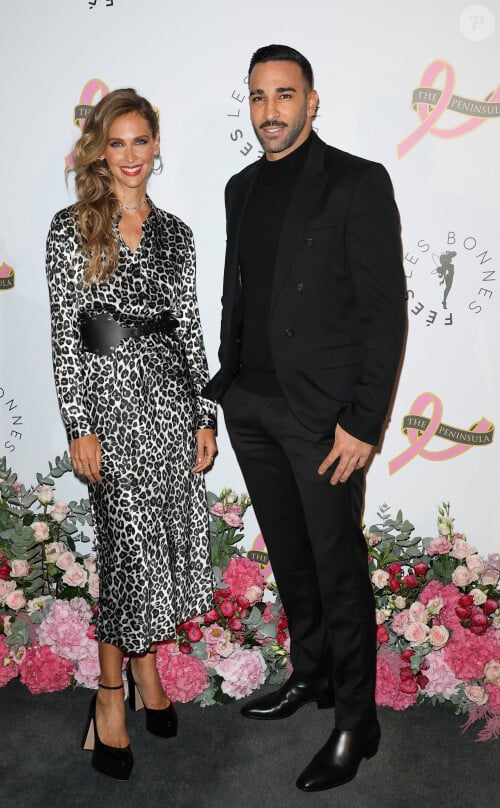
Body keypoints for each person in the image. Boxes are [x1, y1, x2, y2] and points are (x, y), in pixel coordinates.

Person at [203, 44, 406, 792]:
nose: (270, 112)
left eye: (284, 95)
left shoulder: (356, 183)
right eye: (257, 98)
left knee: (337, 568)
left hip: (324, 418)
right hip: (250, 404)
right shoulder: (239, 188)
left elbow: (386, 313)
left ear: (311, 101)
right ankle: (313, 675)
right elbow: (243, 293)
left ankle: (357, 718)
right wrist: (224, 389)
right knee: (292, 559)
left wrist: (363, 420)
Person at [45, 88, 217, 781]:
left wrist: (206, 414)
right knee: (125, 553)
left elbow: (192, 327)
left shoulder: (177, 232)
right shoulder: (71, 227)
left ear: (156, 146)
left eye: (140, 141)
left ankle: (147, 671)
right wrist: (79, 426)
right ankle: (109, 698)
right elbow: (64, 336)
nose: (129, 156)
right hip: (110, 408)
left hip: (171, 405)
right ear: (98, 149)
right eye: (115, 142)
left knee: (160, 549)